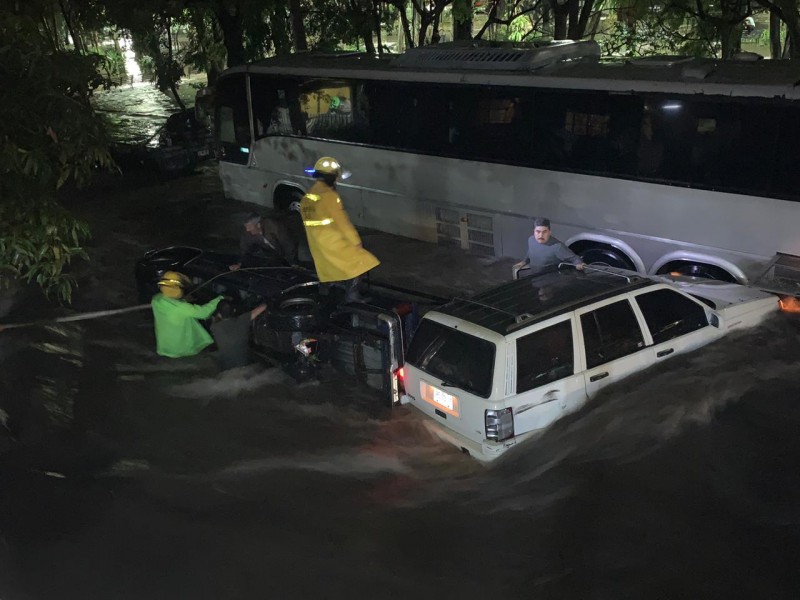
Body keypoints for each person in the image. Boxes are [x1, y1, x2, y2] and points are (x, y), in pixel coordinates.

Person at [300, 156, 379, 302]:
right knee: (361, 261)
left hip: (317, 243)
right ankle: (352, 297)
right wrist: (356, 241)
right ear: (332, 177)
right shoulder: (329, 195)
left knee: (328, 269)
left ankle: (326, 294)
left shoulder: (307, 197)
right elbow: (342, 222)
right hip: (333, 241)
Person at [151, 271, 224, 358]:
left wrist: (183, 300)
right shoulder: (182, 308)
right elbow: (204, 313)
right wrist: (220, 298)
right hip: (181, 350)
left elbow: (173, 304)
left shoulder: (156, 299)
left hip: (165, 347)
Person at [513, 217, 585, 277]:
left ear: (549, 232)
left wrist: (579, 263)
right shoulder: (531, 240)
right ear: (534, 231)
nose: (541, 235)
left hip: (549, 279)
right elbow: (530, 253)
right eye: (538, 232)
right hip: (533, 275)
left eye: (544, 232)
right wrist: (524, 262)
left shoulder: (557, 247)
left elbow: (574, 258)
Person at [210, 300, 267, 370]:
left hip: (226, 369)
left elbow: (215, 319)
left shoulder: (214, 327)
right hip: (245, 366)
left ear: (219, 314)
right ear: (234, 311)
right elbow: (261, 308)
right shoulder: (243, 320)